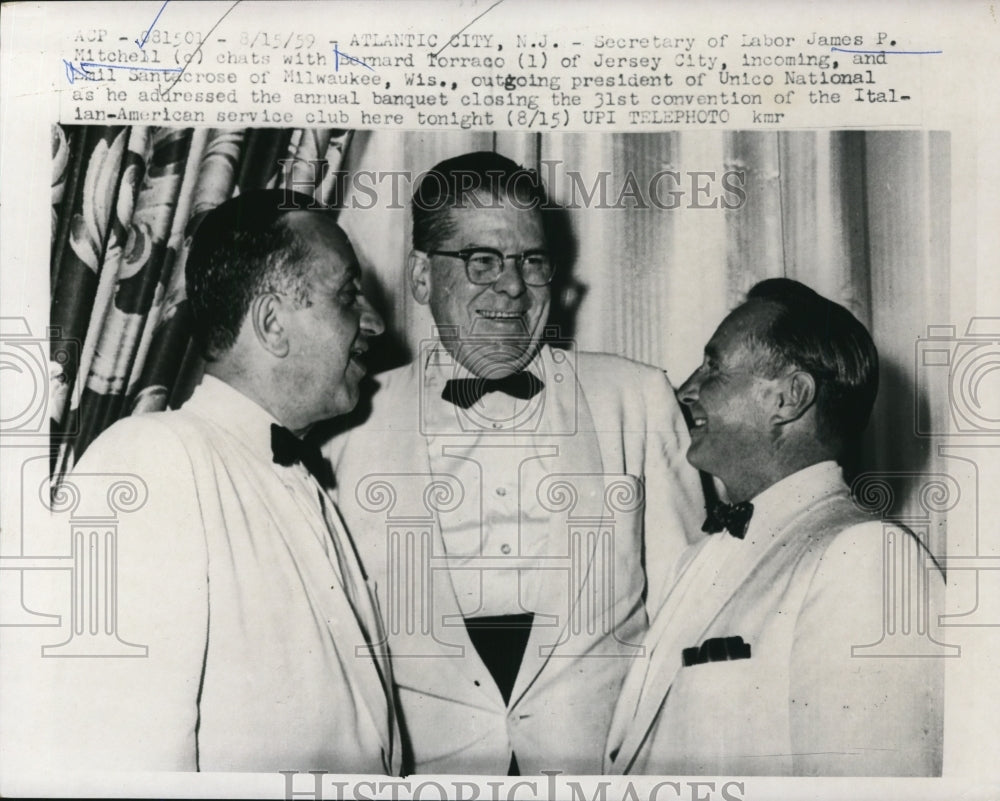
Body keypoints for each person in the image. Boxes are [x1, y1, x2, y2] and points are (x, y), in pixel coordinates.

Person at [322, 152, 705, 775]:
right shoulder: (343, 425)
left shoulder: (635, 400)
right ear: (421, 277)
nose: (512, 286)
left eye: (532, 262)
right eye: (482, 262)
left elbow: (687, 619)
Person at [24, 190, 400, 773]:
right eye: (348, 295)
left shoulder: (309, 487)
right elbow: (112, 769)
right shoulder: (148, 462)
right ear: (273, 324)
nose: (373, 321)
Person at [605, 278, 944, 776]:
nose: (684, 391)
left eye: (713, 367)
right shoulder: (701, 558)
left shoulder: (868, 557)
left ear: (790, 397)